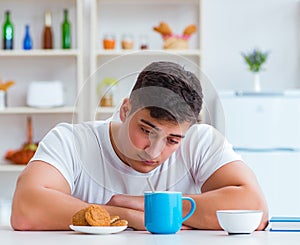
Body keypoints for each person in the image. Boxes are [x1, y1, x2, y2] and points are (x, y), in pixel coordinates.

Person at [11, 61, 268, 231]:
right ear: (125, 110)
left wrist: (149, 208)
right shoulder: (72, 140)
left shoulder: (201, 141)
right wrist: (124, 217)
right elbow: (25, 209)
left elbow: (255, 209)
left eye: (172, 140)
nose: (154, 152)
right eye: (146, 130)